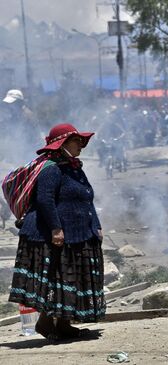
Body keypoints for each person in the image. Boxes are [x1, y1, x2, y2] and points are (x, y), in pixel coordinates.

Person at [7, 123, 104, 340]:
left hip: (78, 232)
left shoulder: (74, 167)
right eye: (76, 141)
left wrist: (96, 225)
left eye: (81, 141)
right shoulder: (51, 168)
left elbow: (87, 197)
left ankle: (63, 324)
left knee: (71, 279)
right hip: (53, 235)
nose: (81, 145)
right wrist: (56, 229)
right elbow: (45, 200)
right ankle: (44, 324)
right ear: (63, 144)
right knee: (57, 279)